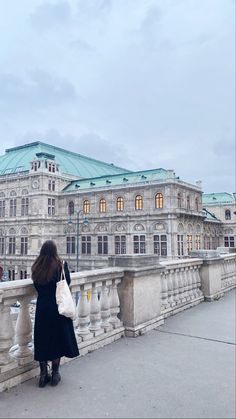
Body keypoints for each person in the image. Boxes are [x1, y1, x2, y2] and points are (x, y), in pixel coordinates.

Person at [31, 240, 79, 388]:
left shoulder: (36, 266)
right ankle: (55, 375)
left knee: (42, 339)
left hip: (42, 308)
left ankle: (43, 375)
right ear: (55, 251)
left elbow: (36, 285)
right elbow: (67, 282)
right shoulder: (60, 265)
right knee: (56, 339)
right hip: (58, 308)